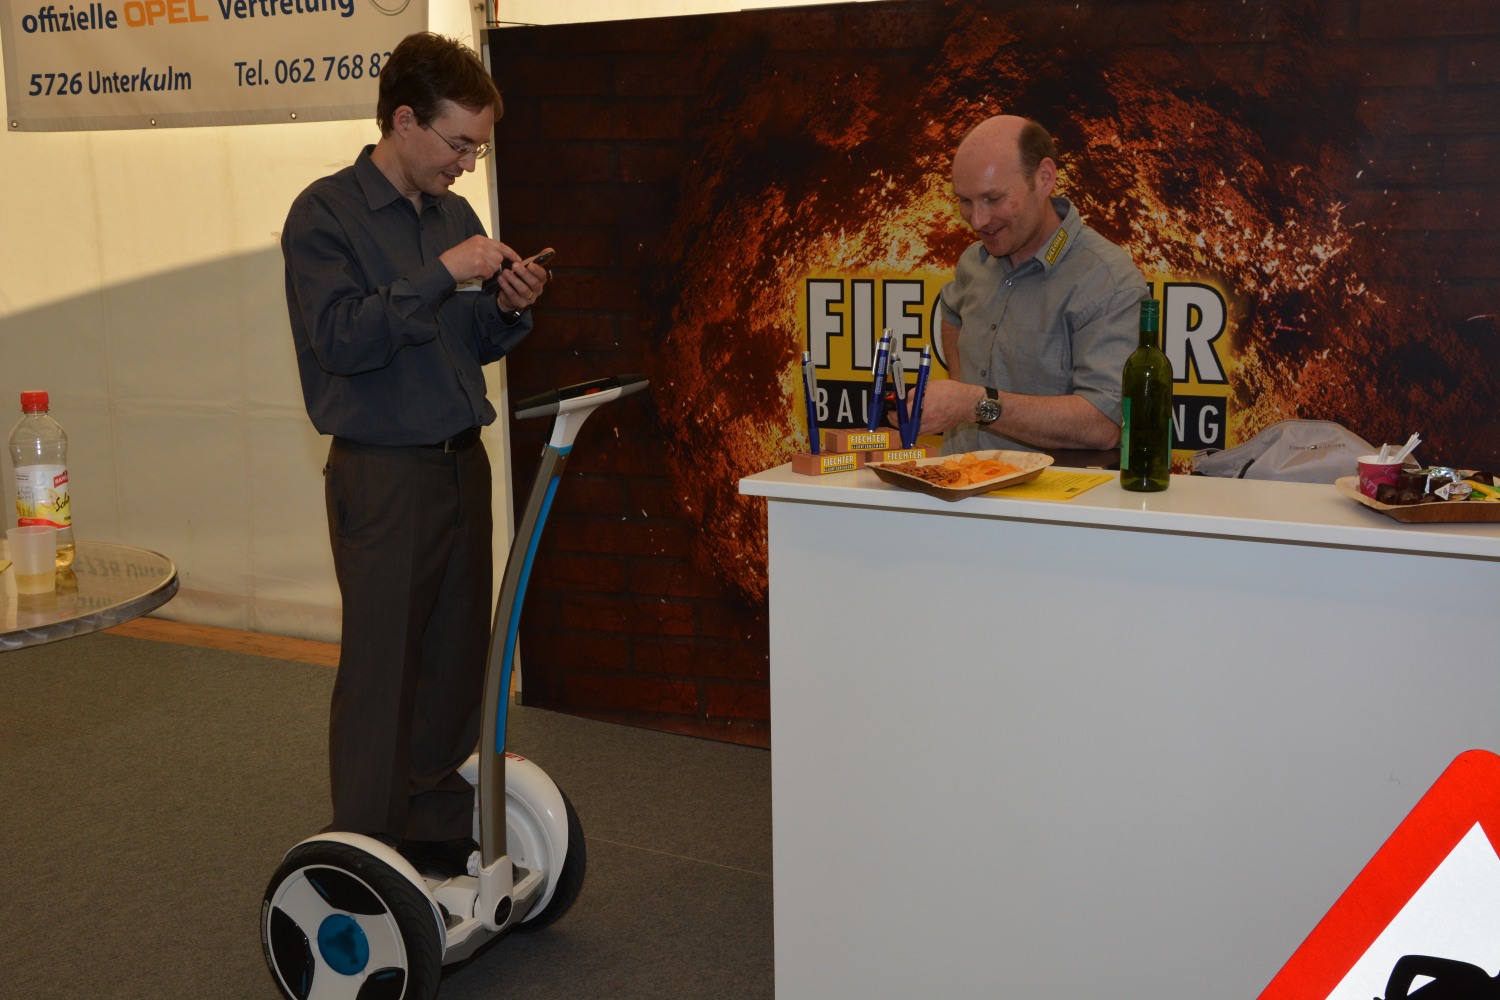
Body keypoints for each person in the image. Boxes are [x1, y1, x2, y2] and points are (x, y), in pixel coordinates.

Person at [282, 31, 550, 878]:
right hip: (384, 473)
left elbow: (466, 340)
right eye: (459, 144)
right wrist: (440, 274)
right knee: (383, 671)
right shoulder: (325, 215)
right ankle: (363, 852)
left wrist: (507, 307)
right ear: (404, 121)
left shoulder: (453, 214)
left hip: (460, 461)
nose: (467, 164)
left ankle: (433, 826)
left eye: (478, 149)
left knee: (453, 661)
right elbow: (340, 339)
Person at [910, 115, 1148, 454]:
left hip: (1048, 489)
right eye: (965, 200)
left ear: (1044, 178)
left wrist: (975, 404)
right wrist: (962, 386)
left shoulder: (1106, 279)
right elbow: (951, 311)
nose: (977, 220)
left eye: (993, 199)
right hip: (960, 480)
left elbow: (1102, 424)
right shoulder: (974, 262)